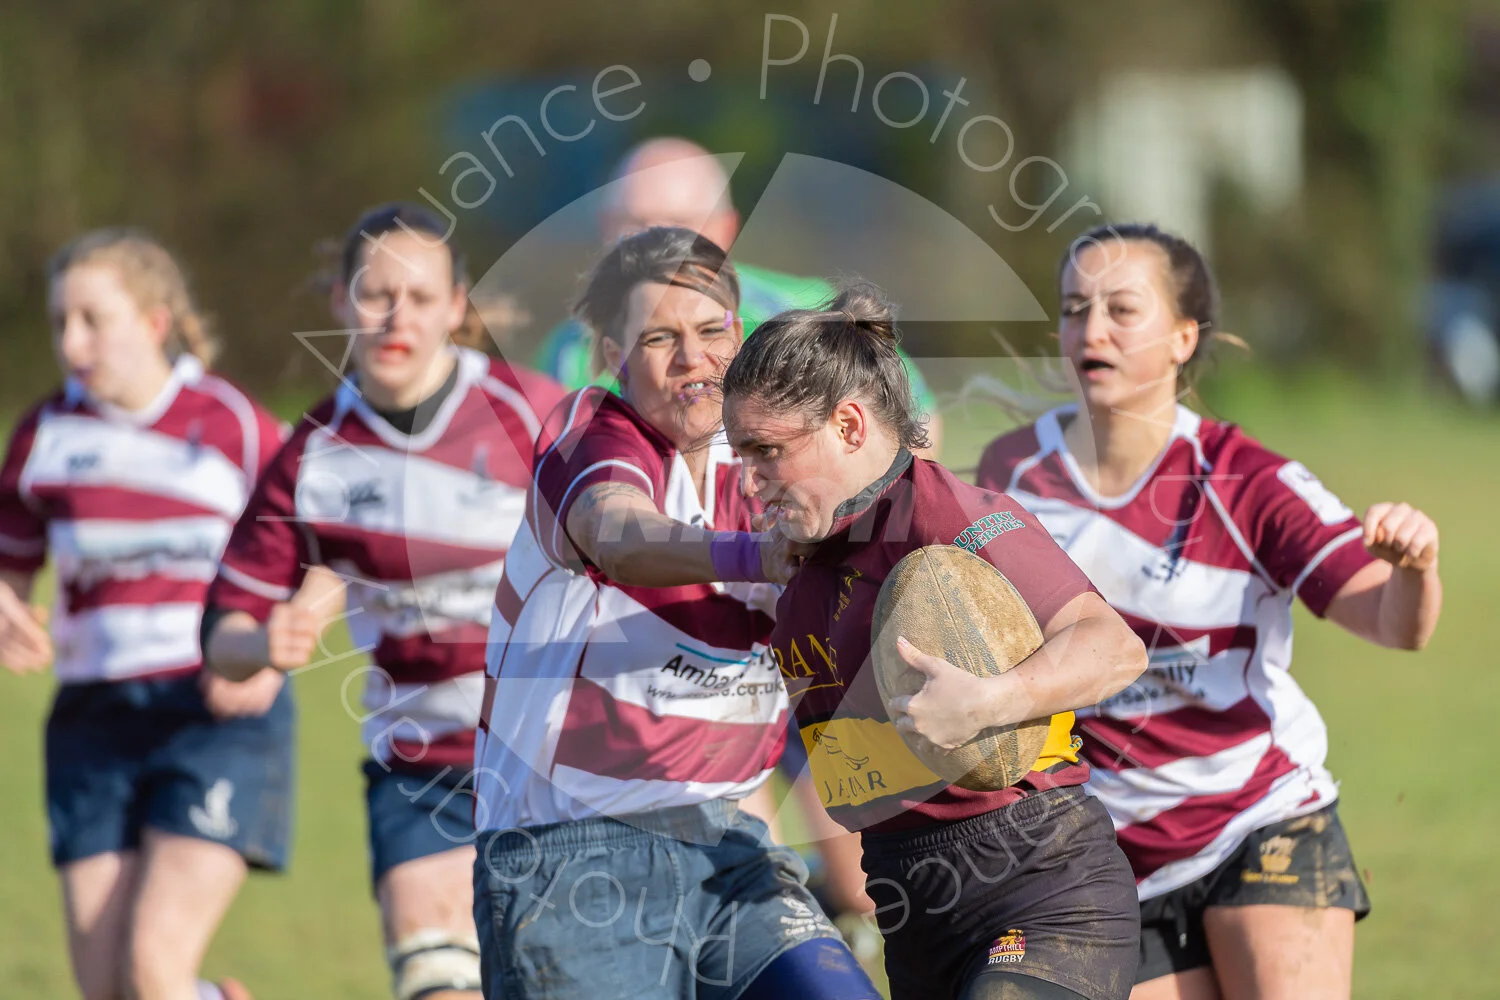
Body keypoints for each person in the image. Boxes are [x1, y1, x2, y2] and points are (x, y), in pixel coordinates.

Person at [974, 223, 1444, 1000]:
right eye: (1073, 308)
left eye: (1122, 310)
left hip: (1256, 817)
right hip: (1107, 852)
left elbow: (1397, 625)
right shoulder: (1012, 473)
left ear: (1183, 338)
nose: (1091, 330)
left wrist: (1417, 566)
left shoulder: (1248, 482)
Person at [473, 226, 881, 999]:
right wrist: (752, 556)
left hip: (727, 844)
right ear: (609, 355)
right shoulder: (590, 433)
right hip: (568, 855)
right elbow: (616, 531)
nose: (692, 357)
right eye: (659, 337)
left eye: (710, 331)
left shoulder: (769, 460)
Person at [718, 283, 1150, 1000]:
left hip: (1041, 892)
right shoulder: (800, 566)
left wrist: (990, 702)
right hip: (914, 917)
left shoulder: (948, 519)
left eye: (767, 451)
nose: (751, 479)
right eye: (741, 454)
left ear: (850, 426)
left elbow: (1113, 646)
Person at [202, 203, 566, 1000]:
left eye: (422, 297)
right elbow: (223, 631)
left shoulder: (534, 412)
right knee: (438, 986)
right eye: (375, 294)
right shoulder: (314, 455)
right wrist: (264, 643)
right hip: (422, 770)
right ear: (339, 300)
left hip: (558, 759)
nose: (397, 316)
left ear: (457, 307)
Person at [0, 229, 297, 1000]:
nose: (72, 341)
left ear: (155, 323)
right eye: (60, 321)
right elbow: (9, 565)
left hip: (210, 713)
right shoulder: (44, 436)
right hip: (91, 720)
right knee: (109, 993)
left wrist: (271, 655)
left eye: (93, 319)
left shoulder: (230, 422)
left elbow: (317, 546)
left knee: (152, 970)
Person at [532, 137, 943, 460]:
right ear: (605, 228)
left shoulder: (804, 310)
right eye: (636, 225)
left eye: (680, 225)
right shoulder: (568, 350)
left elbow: (914, 423)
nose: (658, 244)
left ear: (726, 228)